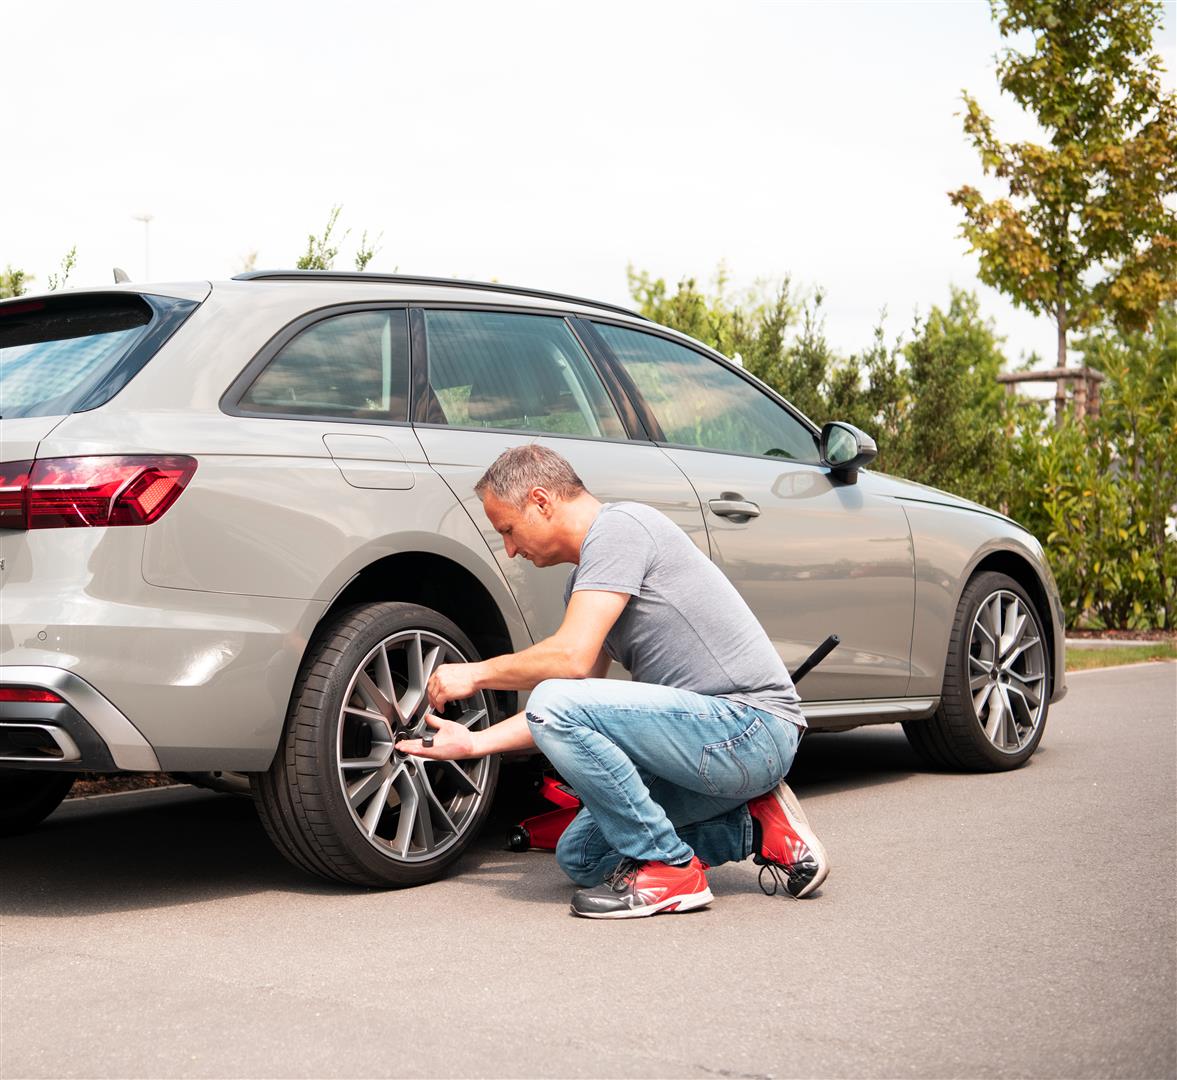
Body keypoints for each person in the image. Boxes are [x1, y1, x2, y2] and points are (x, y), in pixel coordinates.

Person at [395, 444, 828, 919]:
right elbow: (570, 707)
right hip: (710, 747)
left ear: (541, 501)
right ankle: (759, 826)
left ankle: (670, 869)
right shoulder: (588, 573)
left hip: (750, 729)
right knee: (582, 856)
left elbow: (571, 665)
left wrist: (477, 673)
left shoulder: (620, 529)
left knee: (555, 699)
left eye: (508, 530)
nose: (511, 549)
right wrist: (475, 744)